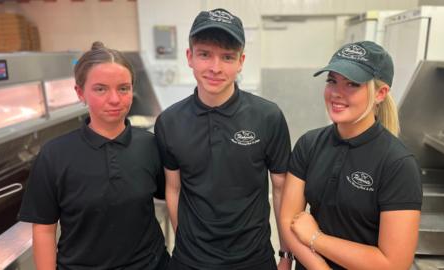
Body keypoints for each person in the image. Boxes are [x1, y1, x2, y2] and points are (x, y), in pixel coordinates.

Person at [154, 8, 292, 270]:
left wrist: (286, 254)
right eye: (205, 54)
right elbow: (173, 189)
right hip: (190, 261)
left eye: (227, 57)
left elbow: (280, 189)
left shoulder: (267, 116)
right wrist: (186, 242)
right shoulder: (169, 122)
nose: (215, 68)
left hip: (253, 258)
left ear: (241, 61)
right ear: (190, 57)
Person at [18, 41, 169, 270]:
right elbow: (44, 229)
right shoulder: (54, 155)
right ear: (80, 93)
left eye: (123, 88)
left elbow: (173, 195)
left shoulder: (150, 145)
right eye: (100, 89)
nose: (115, 99)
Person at [280, 41, 422, 270]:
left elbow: (394, 263)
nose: (336, 93)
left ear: (380, 93)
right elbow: (289, 220)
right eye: (332, 81)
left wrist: (317, 238)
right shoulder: (309, 144)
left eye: (352, 84)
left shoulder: (397, 164)